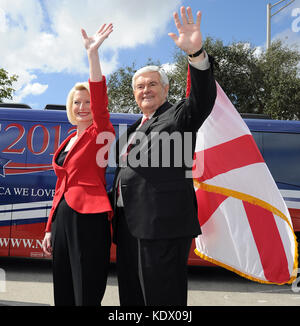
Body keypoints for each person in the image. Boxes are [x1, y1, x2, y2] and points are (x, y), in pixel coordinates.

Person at [110, 6, 217, 306]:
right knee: (132, 299)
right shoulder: (132, 128)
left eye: (152, 84)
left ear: (166, 89)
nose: (146, 90)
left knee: (161, 302)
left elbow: (201, 100)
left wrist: (196, 54)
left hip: (162, 227)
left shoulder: (178, 117)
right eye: (140, 86)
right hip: (129, 227)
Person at [42, 23, 115, 306]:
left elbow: (99, 101)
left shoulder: (102, 132)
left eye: (86, 102)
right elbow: (61, 185)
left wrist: (92, 55)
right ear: (70, 107)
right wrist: (49, 227)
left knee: (85, 288)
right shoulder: (69, 138)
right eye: (77, 102)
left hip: (89, 216)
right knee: (62, 285)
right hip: (63, 218)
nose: (82, 107)